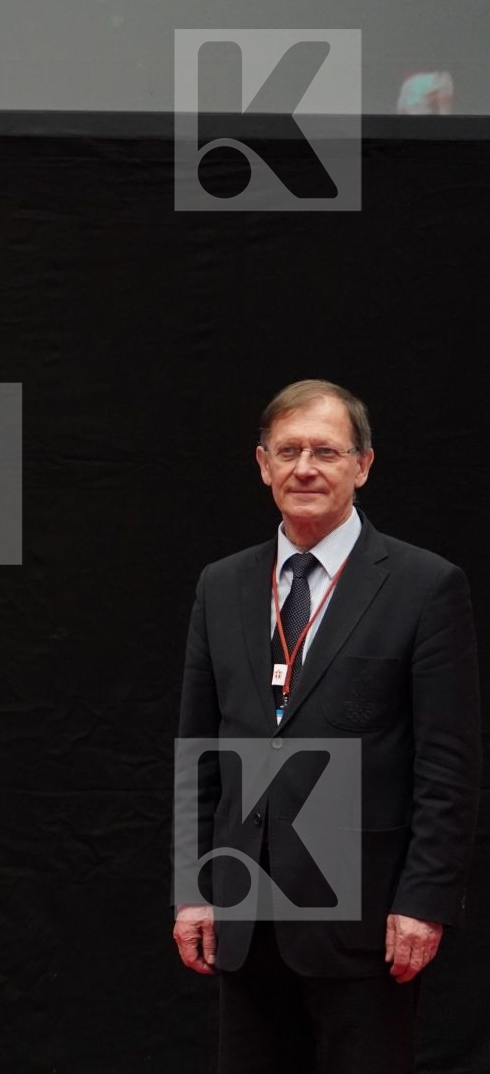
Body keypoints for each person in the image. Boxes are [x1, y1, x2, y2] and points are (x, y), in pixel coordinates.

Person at [174, 379, 481, 1073]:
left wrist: (424, 902)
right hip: (245, 910)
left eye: (325, 451)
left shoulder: (424, 586)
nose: (304, 467)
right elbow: (198, 755)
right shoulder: (221, 586)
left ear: (362, 466)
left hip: (365, 918)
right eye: (288, 450)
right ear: (262, 464)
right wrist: (194, 889)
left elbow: (448, 766)